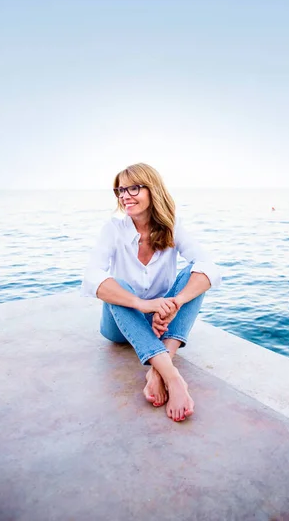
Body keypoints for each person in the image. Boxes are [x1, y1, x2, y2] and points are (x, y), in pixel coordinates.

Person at [81, 163, 221, 422]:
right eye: (120, 190)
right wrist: (142, 304)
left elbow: (210, 268)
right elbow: (91, 277)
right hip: (120, 325)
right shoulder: (114, 229)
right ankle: (173, 377)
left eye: (133, 188)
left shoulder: (173, 226)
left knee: (196, 273)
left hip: (162, 320)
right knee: (118, 286)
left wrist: (175, 303)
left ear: (152, 189)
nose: (124, 196)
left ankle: (156, 372)